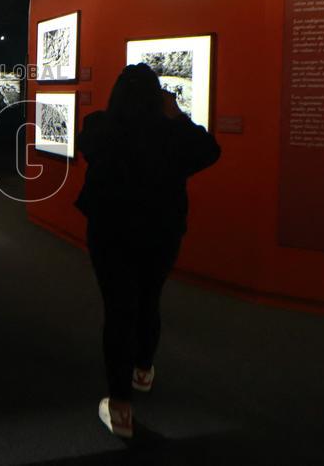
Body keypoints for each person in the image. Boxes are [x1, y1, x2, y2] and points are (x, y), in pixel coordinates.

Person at [75, 63, 220, 439]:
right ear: (159, 96)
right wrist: (176, 117)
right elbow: (209, 151)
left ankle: (120, 408)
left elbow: (88, 149)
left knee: (119, 310)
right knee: (148, 300)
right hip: (161, 232)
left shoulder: (99, 126)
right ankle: (142, 371)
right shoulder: (170, 133)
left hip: (110, 233)